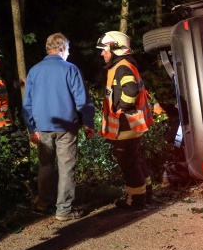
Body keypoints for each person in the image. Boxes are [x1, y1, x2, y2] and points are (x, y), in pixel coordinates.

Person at [22, 33, 95, 221]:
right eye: (68, 49)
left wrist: (32, 128)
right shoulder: (70, 69)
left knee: (45, 166)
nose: (68, 53)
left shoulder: (34, 71)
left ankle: (42, 204)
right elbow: (82, 100)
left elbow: (27, 103)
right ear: (62, 48)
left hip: (42, 127)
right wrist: (88, 123)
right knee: (66, 168)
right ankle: (63, 210)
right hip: (66, 128)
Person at [96, 31, 154, 211]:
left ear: (115, 49)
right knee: (135, 159)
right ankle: (146, 194)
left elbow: (130, 89)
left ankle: (136, 201)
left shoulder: (122, 67)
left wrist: (121, 107)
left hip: (126, 125)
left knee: (128, 163)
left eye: (104, 50)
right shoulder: (125, 64)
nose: (102, 54)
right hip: (133, 124)